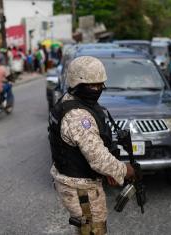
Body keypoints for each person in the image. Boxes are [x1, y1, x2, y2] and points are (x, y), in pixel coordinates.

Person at [49, 56, 135, 234]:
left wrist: (110, 172)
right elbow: (99, 160)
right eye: (92, 85)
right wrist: (125, 170)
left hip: (78, 184)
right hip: (81, 189)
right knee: (93, 230)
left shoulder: (70, 100)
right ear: (76, 83)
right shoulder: (78, 116)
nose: (98, 89)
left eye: (100, 85)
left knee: (86, 230)